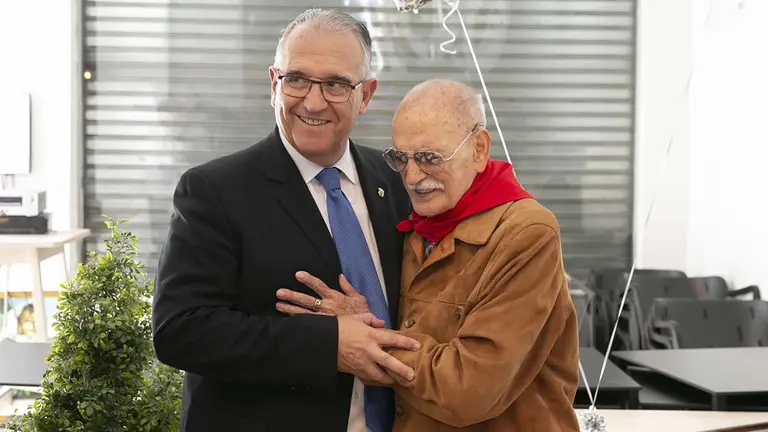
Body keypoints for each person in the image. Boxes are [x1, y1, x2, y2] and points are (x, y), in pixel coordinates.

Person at [151, 8, 421, 432]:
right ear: (274, 84)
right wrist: (330, 345)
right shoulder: (213, 190)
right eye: (297, 79)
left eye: (335, 84)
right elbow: (180, 331)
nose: (313, 102)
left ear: (365, 96)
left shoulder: (397, 182)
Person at [276, 79, 581, 431]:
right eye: (400, 158)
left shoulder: (526, 233)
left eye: (429, 158)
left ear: (479, 149)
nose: (412, 176)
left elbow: (471, 390)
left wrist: (366, 337)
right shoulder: (414, 223)